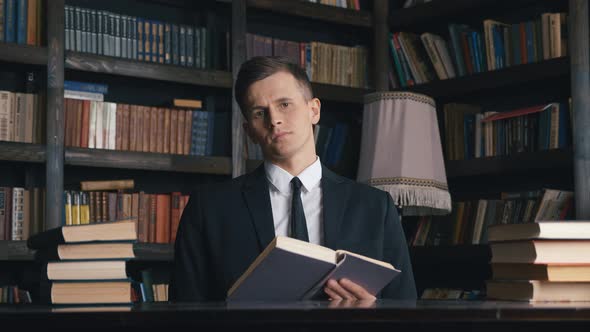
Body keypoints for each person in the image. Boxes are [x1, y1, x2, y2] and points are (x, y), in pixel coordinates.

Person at [170, 56, 417, 302]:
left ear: (314, 111)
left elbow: (407, 309)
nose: (274, 120)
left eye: (285, 104)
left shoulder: (375, 206)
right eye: (259, 113)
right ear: (249, 132)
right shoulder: (209, 209)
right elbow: (183, 315)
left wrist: (373, 315)